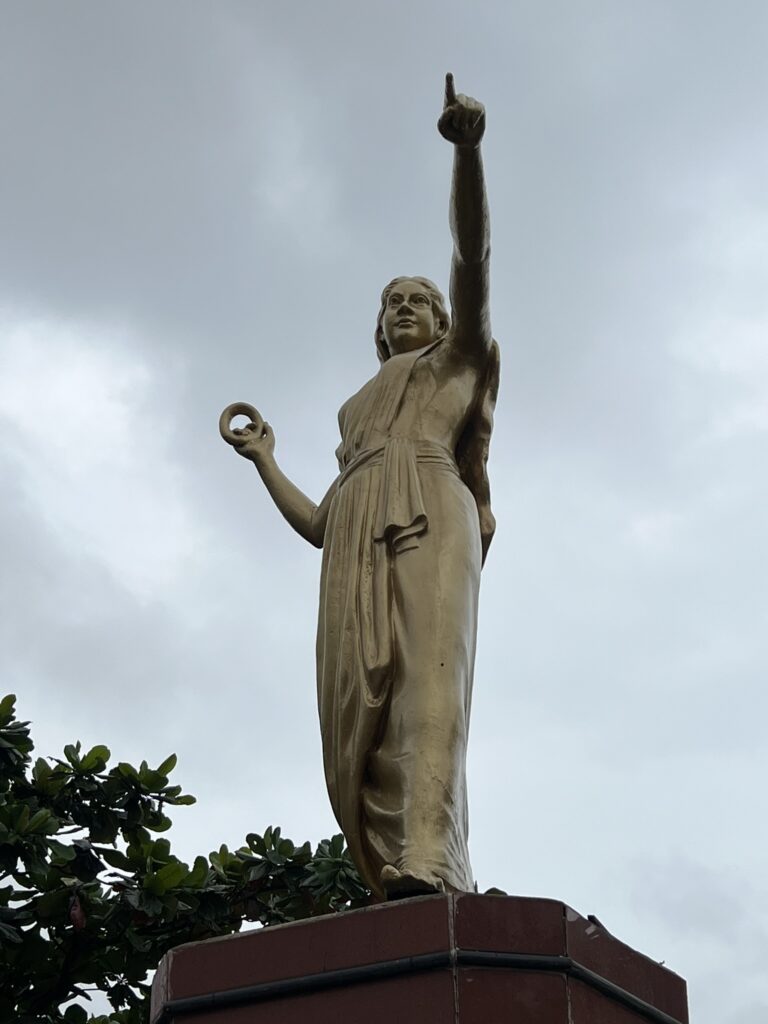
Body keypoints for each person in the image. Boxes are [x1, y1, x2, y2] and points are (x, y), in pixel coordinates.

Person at [226, 74, 498, 899]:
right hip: (355, 540)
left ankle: (426, 854)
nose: (408, 306)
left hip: (431, 510)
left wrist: (466, 153)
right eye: (394, 302)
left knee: (426, 687)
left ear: (445, 322)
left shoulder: (460, 363)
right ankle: (393, 873)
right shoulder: (353, 411)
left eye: (422, 300)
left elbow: (472, 257)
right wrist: (267, 460)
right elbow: (323, 522)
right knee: (361, 723)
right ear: (378, 326)